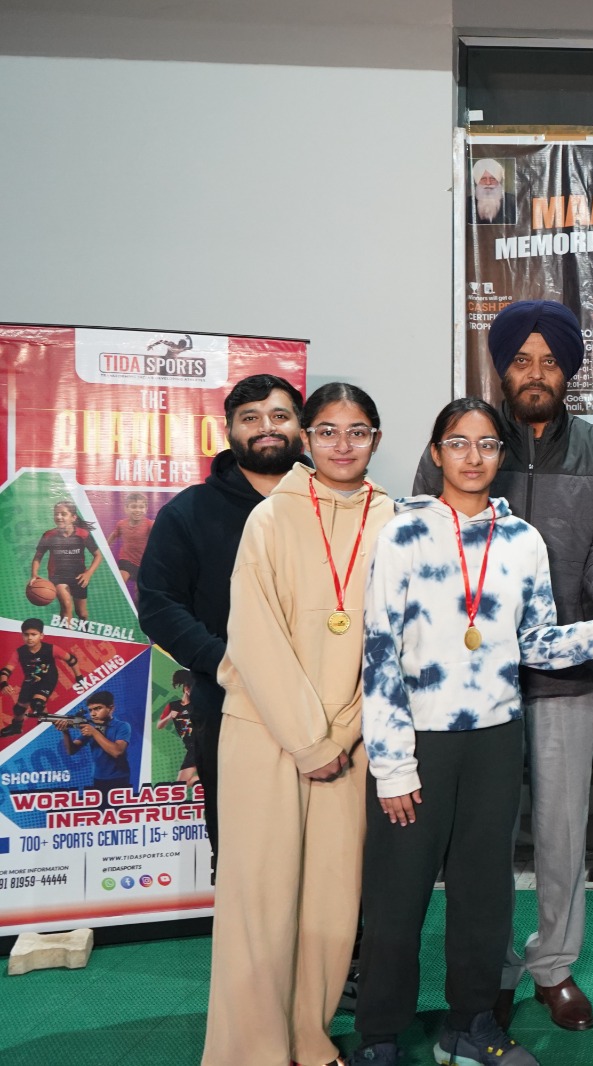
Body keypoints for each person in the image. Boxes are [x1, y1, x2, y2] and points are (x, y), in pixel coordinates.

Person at [354, 398, 593, 1066]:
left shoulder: (522, 540)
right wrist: (392, 767)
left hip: (496, 738)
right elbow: (379, 653)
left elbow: (534, 643)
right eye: (458, 443)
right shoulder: (402, 533)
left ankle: (470, 1025)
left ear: (501, 455)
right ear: (436, 452)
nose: (472, 457)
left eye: (486, 445)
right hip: (420, 741)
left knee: (484, 895)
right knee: (396, 898)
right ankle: (379, 1036)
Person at [413, 299, 593, 1031]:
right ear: (502, 369)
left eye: (549, 361)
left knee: (561, 830)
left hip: (563, 674)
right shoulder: (465, 443)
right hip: (471, 686)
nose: (535, 373)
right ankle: (491, 967)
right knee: (479, 837)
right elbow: (429, 547)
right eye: (521, 361)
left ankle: (553, 966)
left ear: (569, 371)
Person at [201, 382, 394, 1066]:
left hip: (349, 742)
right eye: (328, 431)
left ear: (376, 439)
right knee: (260, 902)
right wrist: (311, 740)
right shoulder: (270, 517)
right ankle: (251, 1052)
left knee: (331, 907)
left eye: (358, 431)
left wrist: (343, 733)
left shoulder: (395, 521)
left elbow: (396, 645)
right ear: (307, 439)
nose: (343, 445)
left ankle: (309, 1039)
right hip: (266, 733)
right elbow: (253, 637)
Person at [140, 373, 307, 874]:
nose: (266, 427)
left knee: (329, 852)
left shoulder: (333, 503)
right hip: (233, 704)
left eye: (279, 416)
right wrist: (229, 665)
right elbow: (159, 606)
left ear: (301, 427)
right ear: (229, 430)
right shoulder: (189, 512)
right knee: (243, 855)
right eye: (250, 418)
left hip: (327, 704)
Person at [0, 618, 83, 736]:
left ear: (41, 636)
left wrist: (79, 676)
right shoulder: (20, 652)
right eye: (26, 634)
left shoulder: (51, 649)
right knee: (18, 709)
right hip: (30, 680)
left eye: (33, 634)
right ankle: (16, 727)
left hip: (48, 679)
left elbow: (72, 660)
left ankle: (47, 726)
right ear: (22, 635)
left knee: (37, 704)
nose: (29, 638)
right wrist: (3, 683)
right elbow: (7, 669)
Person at [32, 501, 101, 622]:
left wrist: (88, 573)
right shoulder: (48, 535)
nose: (59, 517)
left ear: (73, 517)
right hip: (58, 576)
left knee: (82, 613)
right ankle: (66, 633)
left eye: (63, 514)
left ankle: (84, 631)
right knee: (66, 605)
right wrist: (34, 574)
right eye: (56, 514)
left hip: (79, 577)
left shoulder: (83, 534)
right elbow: (38, 557)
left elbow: (98, 555)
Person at [58, 689, 131, 793]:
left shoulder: (122, 726)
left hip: (119, 777)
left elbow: (117, 752)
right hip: (98, 777)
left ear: (111, 708)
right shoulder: (91, 726)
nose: (93, 714)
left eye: (98, 708)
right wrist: (65, 732)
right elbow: (71, 751)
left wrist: (94, 732)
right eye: (90, 710)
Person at [156, 668, 200, 784]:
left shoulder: (198, 705)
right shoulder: (173, 706)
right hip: (191, 748)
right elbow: (159, 725)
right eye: (192, 689)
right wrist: (169, 717)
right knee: (180, 785)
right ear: (186, 689)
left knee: (180, 785)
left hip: (201, 745)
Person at [111, 491, 154, 604]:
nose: (137, 510)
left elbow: (160, 535)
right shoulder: (121, 524)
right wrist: (103, 547)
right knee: (120, 581)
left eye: (141, 507)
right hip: (127, 559)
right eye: (133, 507)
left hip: (143, 562)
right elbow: (114, 535)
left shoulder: (149, 524)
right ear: (126, 508)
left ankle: (136, 610)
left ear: (146, 509)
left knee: (139, 591)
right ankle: (117, 605)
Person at [470, 157, 516, 225]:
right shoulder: (468, 202)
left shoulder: (512, 201)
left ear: (498, 180)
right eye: (483, 179)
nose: (488, 183)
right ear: (477, 181)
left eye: (493, 179)